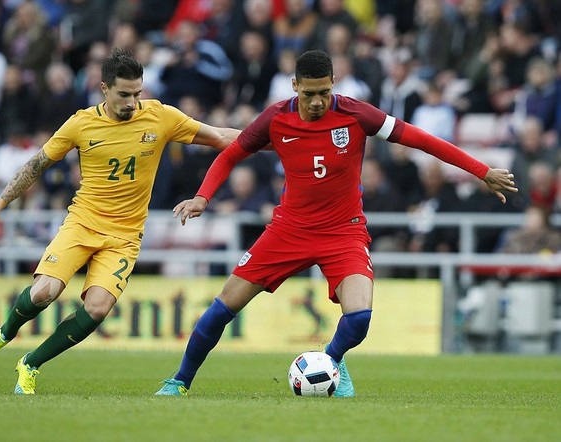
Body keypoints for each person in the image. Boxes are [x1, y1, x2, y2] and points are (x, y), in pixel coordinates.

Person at [155, 50, 518, 398]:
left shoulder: (358, 114)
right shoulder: (275, 118)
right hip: (288, 231)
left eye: (325, 92)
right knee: (224, 307)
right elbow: (230, 154)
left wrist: (481, 171)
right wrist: (203, 197)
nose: (317, 102)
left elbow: (422, 140)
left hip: (343, 231)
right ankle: (180, 380)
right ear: (295, 85)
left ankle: (332, 360)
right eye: (310, 93)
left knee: (359, 319)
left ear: (334, 83)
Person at [0, 48, 241, 395]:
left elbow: (220, 136)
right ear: (104, 89)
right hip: (82, 223)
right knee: (44, 293)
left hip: (125, 235)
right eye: (124, 94)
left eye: (137, 93)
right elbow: (35, 165)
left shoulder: (159, 116)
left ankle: (31, 363)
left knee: (96, 309)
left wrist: (274, 139)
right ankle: (5, 333)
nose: (132, 102)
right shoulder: (81, 123)